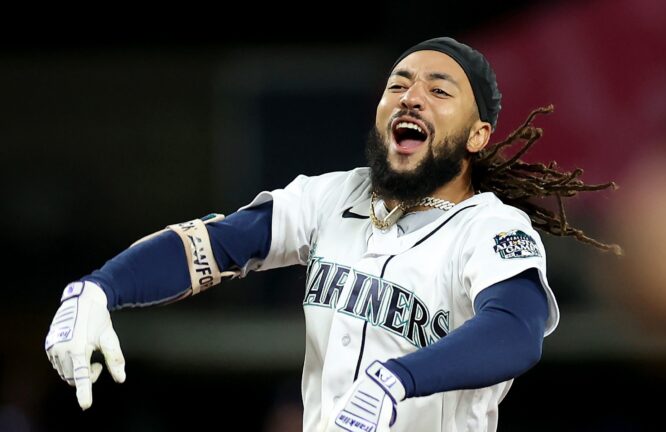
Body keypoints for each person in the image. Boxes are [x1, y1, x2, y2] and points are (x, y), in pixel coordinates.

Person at [44, 37, 619, 432]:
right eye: (398, 85)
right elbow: (222, 243)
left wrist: (400, 379)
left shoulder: (489, 227)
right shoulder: (330, 197)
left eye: (440, 90)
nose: (411, 96)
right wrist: (98, 288)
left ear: (477, 136)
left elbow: (516, 331)